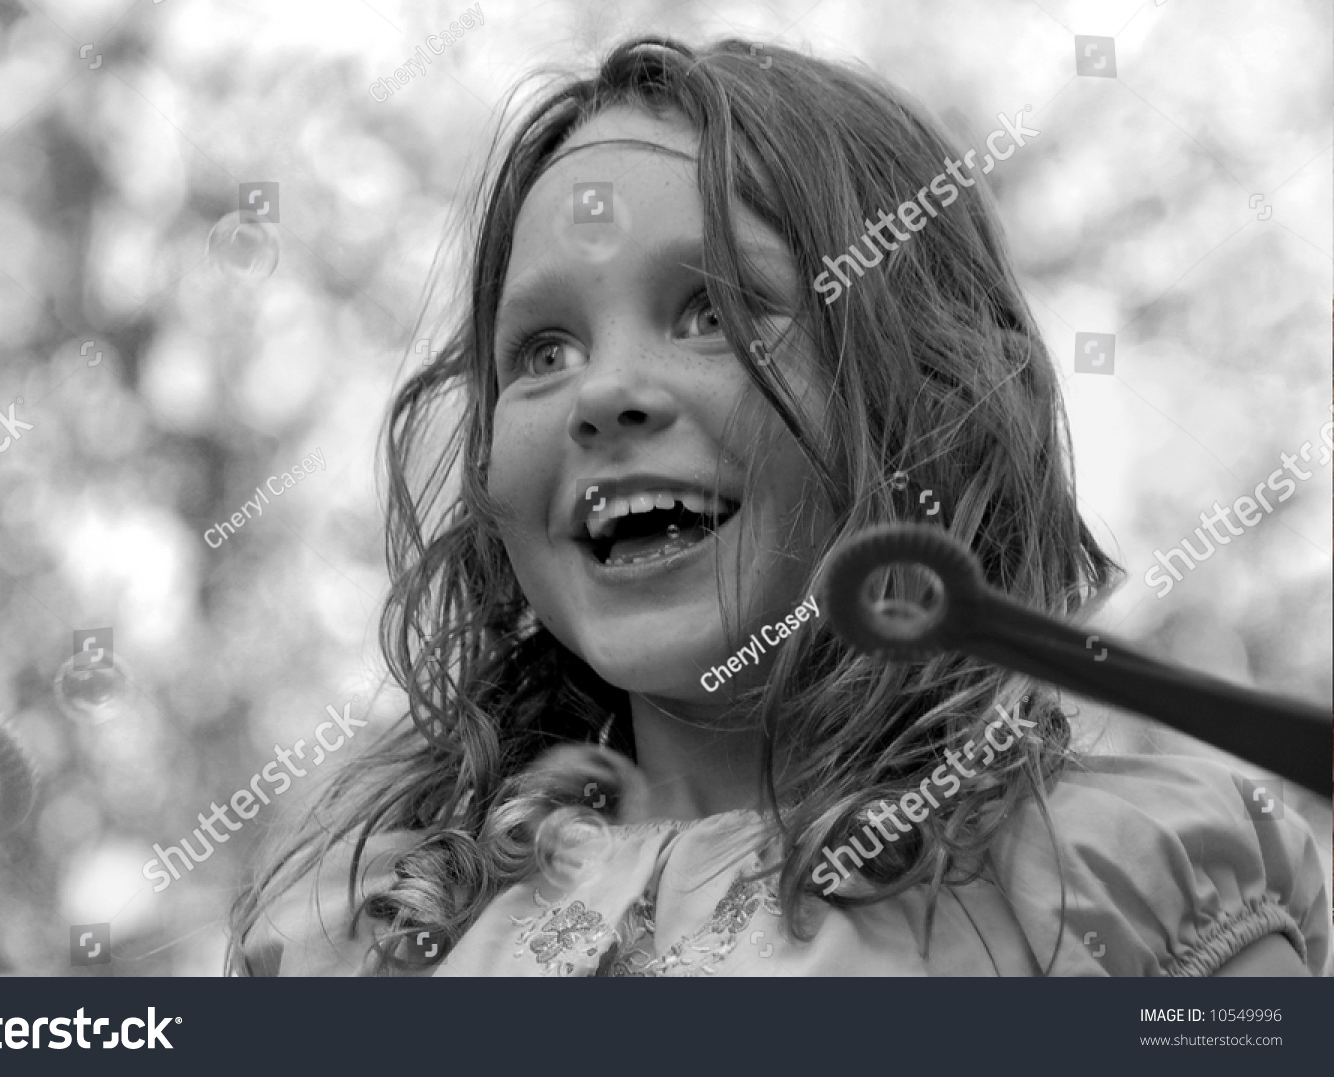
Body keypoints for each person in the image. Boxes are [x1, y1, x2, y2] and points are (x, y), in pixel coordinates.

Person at [224, 36, 1328, 977]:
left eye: (713, 313)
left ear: (921, 399)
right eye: (543, 349)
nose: (604, 394)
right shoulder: (378, 939)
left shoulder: (1116, 881)